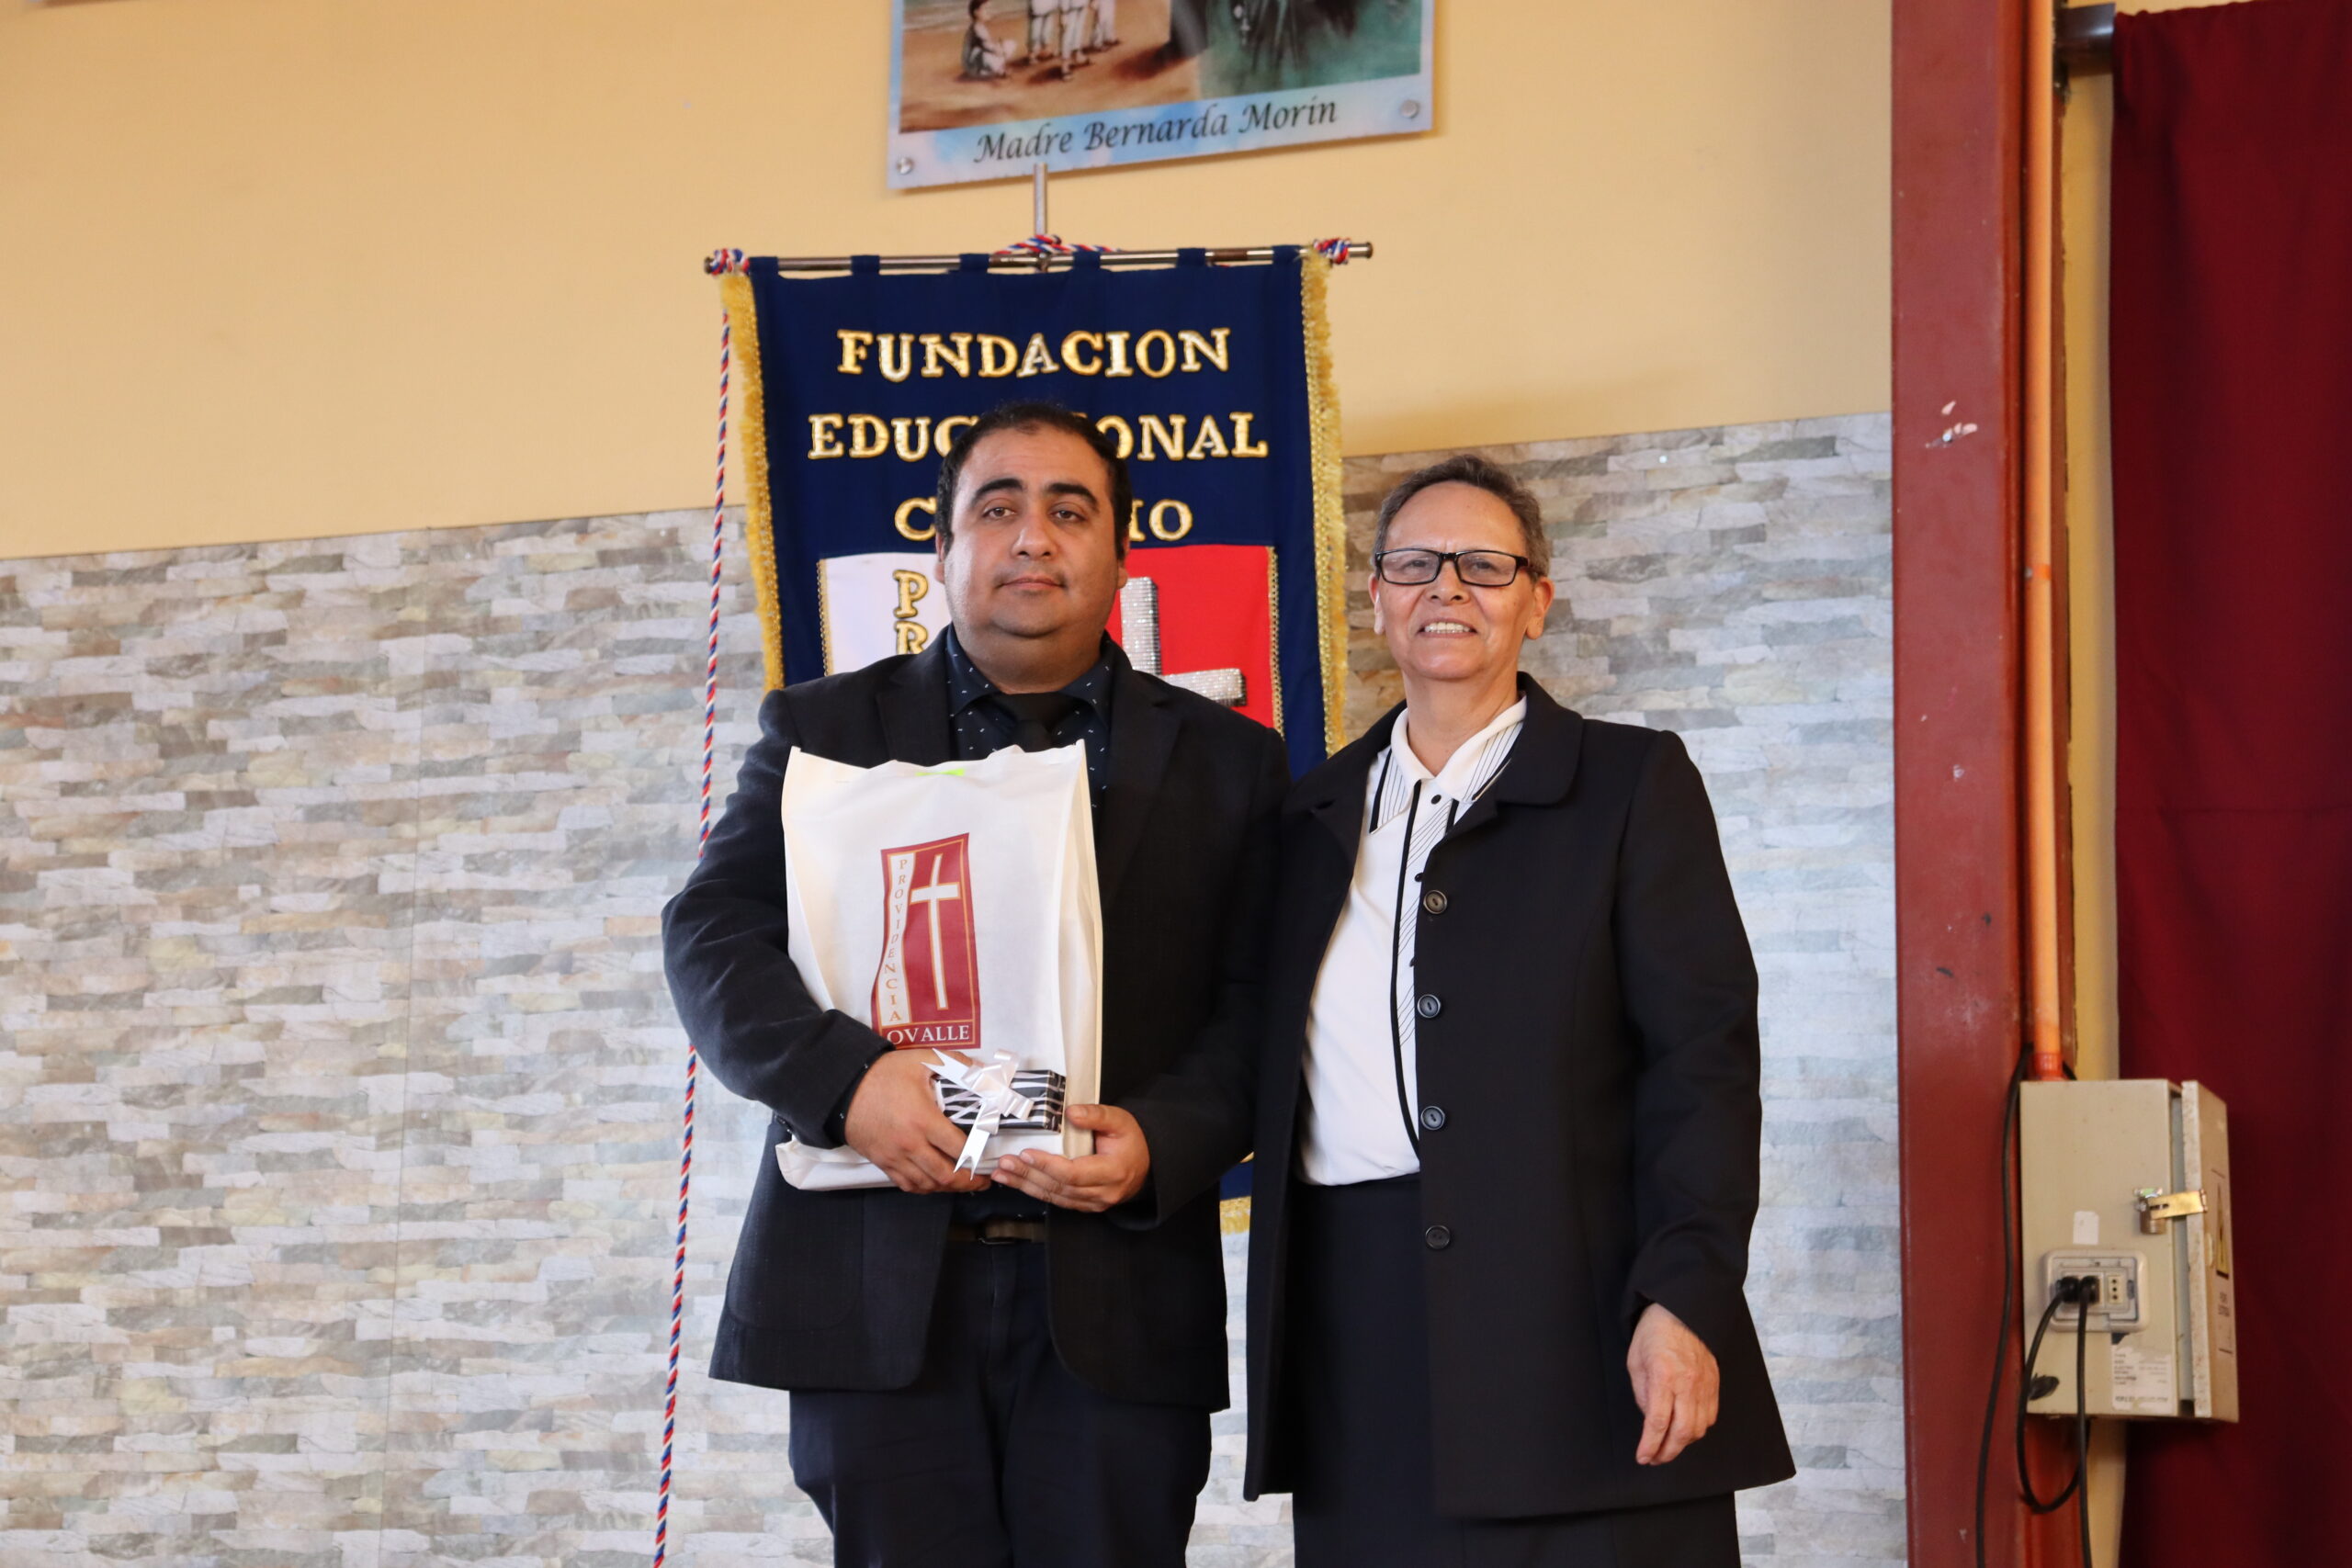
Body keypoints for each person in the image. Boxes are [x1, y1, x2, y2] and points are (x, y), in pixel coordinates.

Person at [665, 401, 1287, 1566]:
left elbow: (1261, 1008)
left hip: (1116, 1299)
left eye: (1069, 511)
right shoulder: (825, 729)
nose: (1032, 537)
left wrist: (1161, 1140)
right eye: (996, 509)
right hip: (875, 1291)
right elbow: (710, 935)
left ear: (1120, 554)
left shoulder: (1231, 762)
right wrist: (847, 1084)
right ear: (943, 550)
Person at [1242, 455, 1794, 1565]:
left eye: (1483, 566)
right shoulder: (1306, 816)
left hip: (1580, 1318)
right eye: (1414, 565)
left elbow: (1701, 1065)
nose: (1446, 587)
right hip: (1360, 1335)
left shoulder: (1629, 785)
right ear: (1376, 598)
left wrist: (1684, 1295)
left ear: (1536, 601)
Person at [961, 0, 1011, 79]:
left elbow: (988, 44)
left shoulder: (980, 26)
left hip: (977, 60)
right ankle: (996, 70)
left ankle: (994, 67)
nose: (988, 12)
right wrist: (999, 51)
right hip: (972, 66)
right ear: (976, 12)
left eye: (989, 9)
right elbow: (987, 46)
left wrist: (999, 48)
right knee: (989, 54)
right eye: (985, 9)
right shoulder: (976, 28)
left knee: (1009, 44)